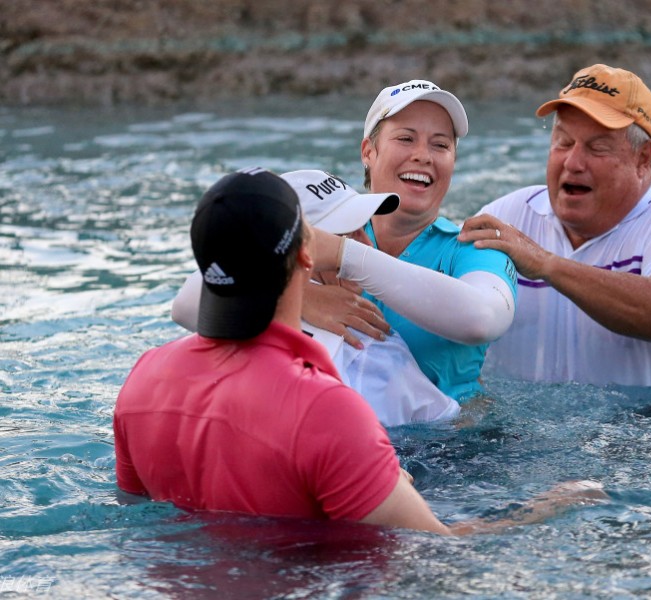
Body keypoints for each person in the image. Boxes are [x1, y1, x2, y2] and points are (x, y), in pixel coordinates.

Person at [114, 167, 607, 532]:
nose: (362, 241)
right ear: (310, 253)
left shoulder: (144, 379)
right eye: (345, 234)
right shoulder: (326, 408)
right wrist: (556, 504)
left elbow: (139, 521)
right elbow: (440, 550)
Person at [459, 64, 651, 387]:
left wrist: (547, 264)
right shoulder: (510, 215)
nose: (573, 162)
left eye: (597, 147)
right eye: (562, 142)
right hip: (523, 435)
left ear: (644, 158)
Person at [171, 169, 461, 427]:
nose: (367, 247)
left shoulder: (221, 329)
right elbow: (447, 427)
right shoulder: (371, 347)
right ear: (306, 251)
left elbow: (185, 303)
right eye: (343, 238)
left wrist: (300, 294)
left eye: (364, 229)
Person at [303, 80, 518, 402]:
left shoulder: (475, 249)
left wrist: (344, 257)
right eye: (406, 138)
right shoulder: (322, 222)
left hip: (447, 446)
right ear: (368, 152)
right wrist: (297, 296)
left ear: (453, 162)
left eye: (440, 145)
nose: (423, 156)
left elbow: (483, 320)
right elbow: (203, 299)